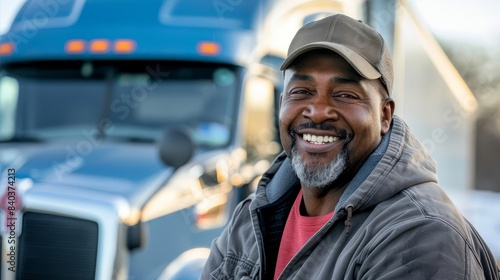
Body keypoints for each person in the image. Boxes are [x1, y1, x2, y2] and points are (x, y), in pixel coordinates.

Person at [201, 13, 500, 279]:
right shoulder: (252, 218)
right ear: (282, 105)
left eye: (344, 94)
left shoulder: (421, 234)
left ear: (385, 115)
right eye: (302, 91)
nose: (317, 111)